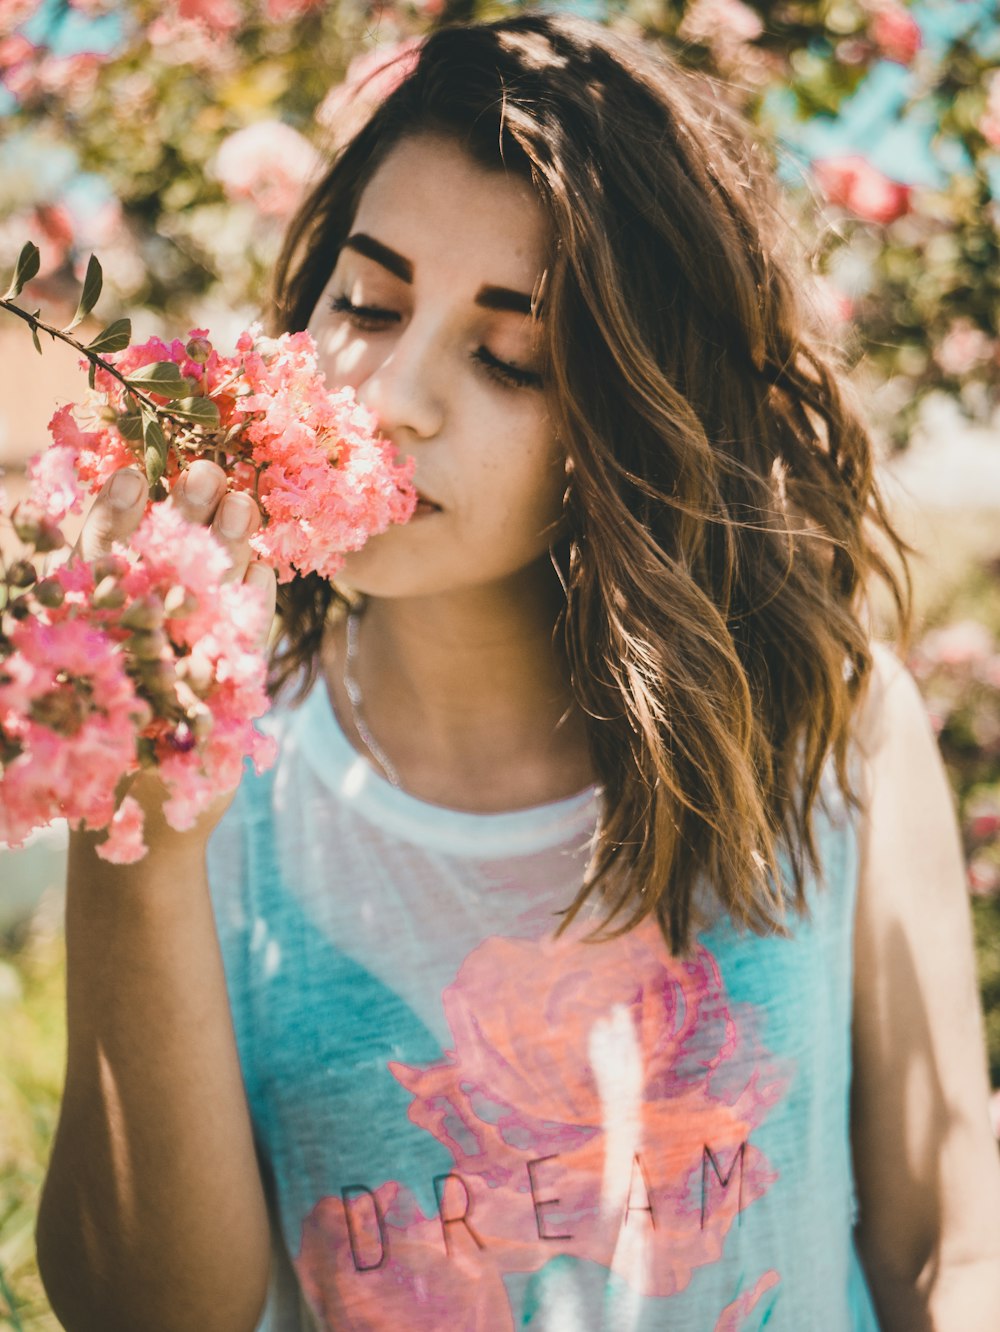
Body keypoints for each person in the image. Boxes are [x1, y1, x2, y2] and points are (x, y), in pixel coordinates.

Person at [35, 12, 1000, 1331]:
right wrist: (142, 839)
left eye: (510, 356)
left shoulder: (829, 729)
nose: (391, 395)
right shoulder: (217, 790)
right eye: (366, 304)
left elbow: (950, 1246)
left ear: (635, 422)